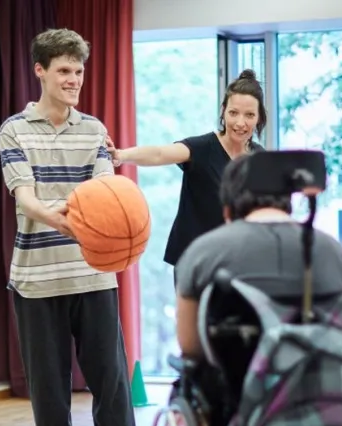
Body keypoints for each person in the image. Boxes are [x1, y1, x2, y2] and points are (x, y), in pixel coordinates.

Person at [172, 151, 342, 426]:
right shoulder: (331, 250)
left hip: (243, 420)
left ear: (228, 208)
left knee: (191, 381)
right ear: (287, 200)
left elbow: (190, 346)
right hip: (334, 409)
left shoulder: (205, 252)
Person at [0, 28, 145, 426]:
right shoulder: (13, 130)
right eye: (64, 71)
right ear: (39, 71)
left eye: (78, 72)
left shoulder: (94, 130)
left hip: (94, 274)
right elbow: (25, 197)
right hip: (36, 279)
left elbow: (108, 194)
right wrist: (69, 217)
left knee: (112, 381)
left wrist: (93, 220)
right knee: (49, 386)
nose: (73, 79)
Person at [107, 69, 268, 285]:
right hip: (195, 263)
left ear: (259, 118)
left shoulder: (261, 158)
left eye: (249, 115)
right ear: (223, 112)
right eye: (233, 113)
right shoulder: (202, 148)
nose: (240, 123)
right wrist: (121, 156)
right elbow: (159, 153)